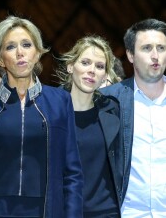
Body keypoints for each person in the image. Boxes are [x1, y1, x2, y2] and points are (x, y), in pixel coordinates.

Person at [0, 15, 83, 218]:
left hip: (46, 211)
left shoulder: (60, 101)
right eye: (11, 47)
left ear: (37, 53)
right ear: (1, 59)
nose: (20, 53)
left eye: (27, 45)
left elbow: (72, 173)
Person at [101, 18, 166, 217]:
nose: (155, 56)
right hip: (128, 212)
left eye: (161, 48)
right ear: (130, 55)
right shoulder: (108, 101)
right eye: (147, 48)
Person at [56, 35, 123, 217]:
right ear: (71, 66)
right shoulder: (49, 110)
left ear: (105, 76)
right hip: (62, 210)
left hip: (105, 212)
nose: (92, 70)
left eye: (99, 66)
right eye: (85, 62)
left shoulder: (114, 111)